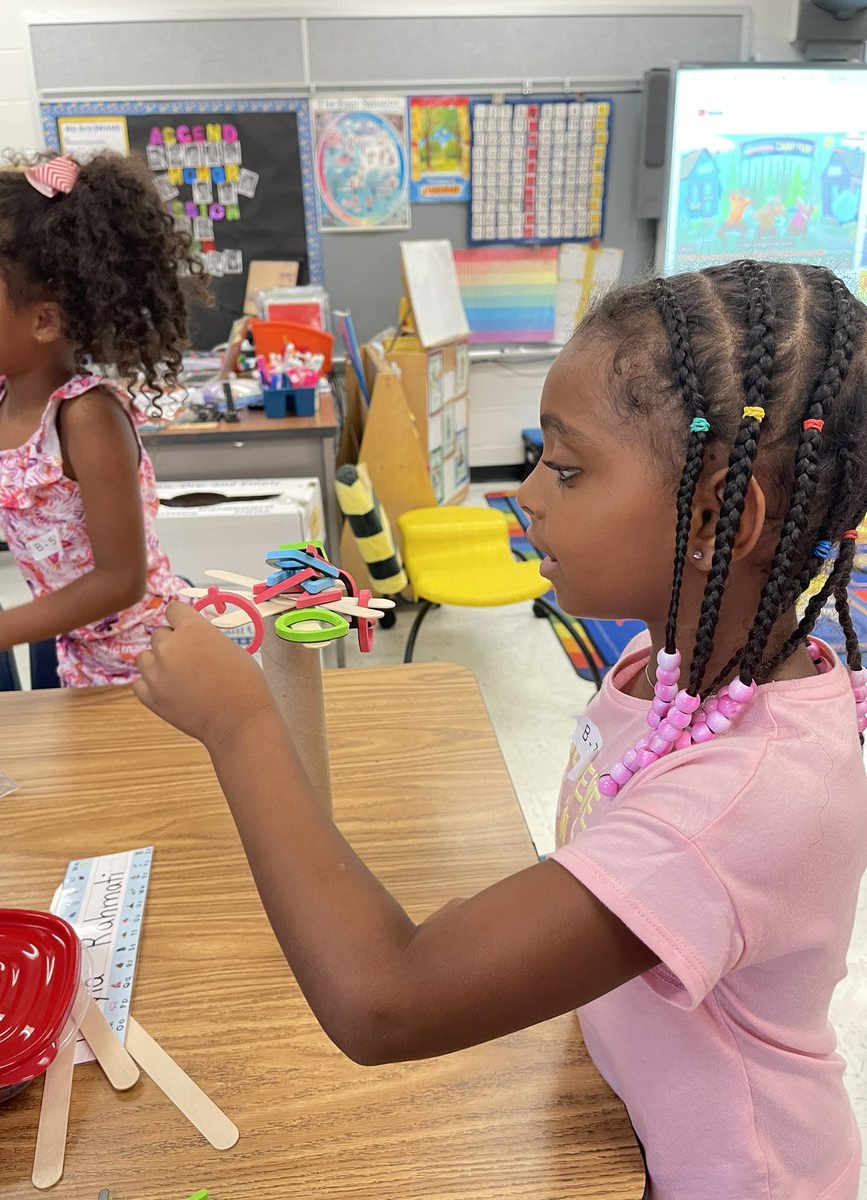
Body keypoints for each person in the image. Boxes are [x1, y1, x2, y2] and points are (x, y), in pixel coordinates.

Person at [133, 260, 867, 1199]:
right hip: (612, 1116)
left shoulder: (744, 799)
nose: (526, 493)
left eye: (566, 467)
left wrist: (237, 724)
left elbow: (384, 1002)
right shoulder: (672, 669)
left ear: (721, 511)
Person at [0, 152, 206, 685]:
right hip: (80, 654)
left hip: (149, 665)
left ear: (44, 319)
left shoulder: (86, 418)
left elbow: (121, 580)